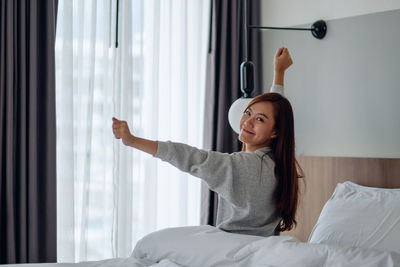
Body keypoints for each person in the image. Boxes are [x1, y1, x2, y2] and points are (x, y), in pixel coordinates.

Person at [112, 47, 303, 237]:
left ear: (275, 132)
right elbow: (278, 115)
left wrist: (133, 140)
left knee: (158, 241)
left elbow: (191, 158)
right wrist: (279, 73)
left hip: (230, 251)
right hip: (257, 250)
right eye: (248, 112)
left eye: (259, 119)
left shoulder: (247, 166)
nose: (247, 122)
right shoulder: (277, 161)